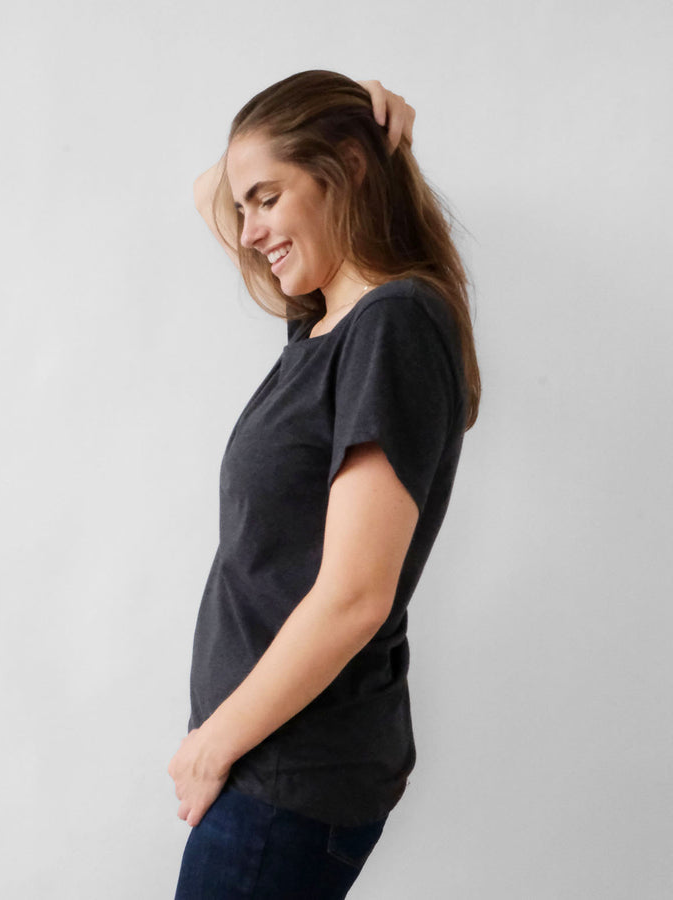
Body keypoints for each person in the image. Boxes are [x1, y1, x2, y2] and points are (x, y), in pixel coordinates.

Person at [168, 70, 481, 899]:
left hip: (287, 775)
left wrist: (211, 745)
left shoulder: (391, 323)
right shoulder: (321, 320)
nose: (247, 232)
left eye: (268, 200)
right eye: (246, 207)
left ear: (343, 171)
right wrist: (361, 127)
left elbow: (355, 595)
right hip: (266, 764)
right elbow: (209, 191)